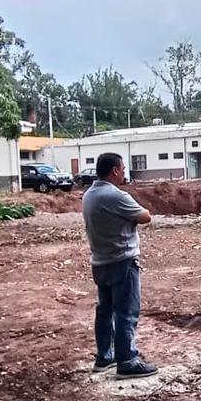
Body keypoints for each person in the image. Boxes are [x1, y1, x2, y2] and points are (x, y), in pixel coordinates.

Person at [82, 152, 159, 379]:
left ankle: (104, 356)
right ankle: (127, 360)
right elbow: (145, 216)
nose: (125, 172)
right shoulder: (115, 195)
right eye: (123, 168)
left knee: (105, 311)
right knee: (126, 312)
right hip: (122, 261)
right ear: (115, 170)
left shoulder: (89, 195)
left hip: (100, 261)